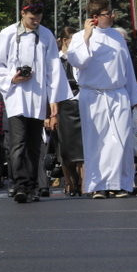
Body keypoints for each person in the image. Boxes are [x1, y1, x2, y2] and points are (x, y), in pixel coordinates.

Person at [0, 0, 72, 203]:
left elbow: (54, 70)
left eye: (38, 18)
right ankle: (20, 185)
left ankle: (34, 185)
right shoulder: (8, 34)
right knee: (18, 144)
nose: (35, 22)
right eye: (31, 18)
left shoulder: (45, 36)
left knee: (35, 145)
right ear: (22, 13)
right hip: (16, 97)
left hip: (37, 98)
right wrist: (12, 78)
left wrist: (54, 100)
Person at [67, 0, 137, 199]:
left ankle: (118, 183)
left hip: (117, 94)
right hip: (93, 95)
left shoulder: (117, 37)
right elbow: (77, 61)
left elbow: (127, 68)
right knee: (97, 141)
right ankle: (98, 184)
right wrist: (86, 36)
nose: (113, 16)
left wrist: (134, 96)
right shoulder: (79, 37)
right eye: (108, 13)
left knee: (120, 139)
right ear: (95, 17)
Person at [56, 26, 83, 197]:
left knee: (82, 148)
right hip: (62, 106)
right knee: (64, 148)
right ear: (65, 41)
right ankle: (69, 181)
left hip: (80, 103)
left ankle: (83, 182)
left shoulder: (78, 59)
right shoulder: (56, 60)